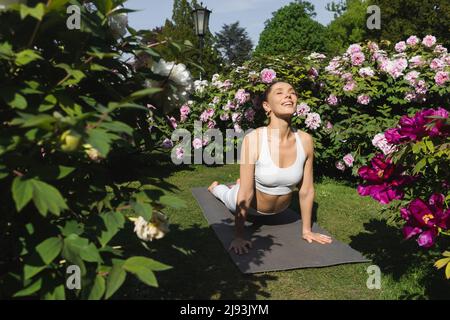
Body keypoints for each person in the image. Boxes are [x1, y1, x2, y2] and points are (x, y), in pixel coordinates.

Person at [208, 81, 333, 255]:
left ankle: (238, 182)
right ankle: (217, 188)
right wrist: (238, 236)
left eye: (292, 92)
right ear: (267, 106)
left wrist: (307, 230)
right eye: (279, 92)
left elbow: (306, 190)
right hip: (250, 207)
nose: (288, 95)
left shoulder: (305, 140)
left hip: (279, 211)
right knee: (226, 193)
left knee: (247, 183)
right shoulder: (254, 139)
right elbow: (245, 193)